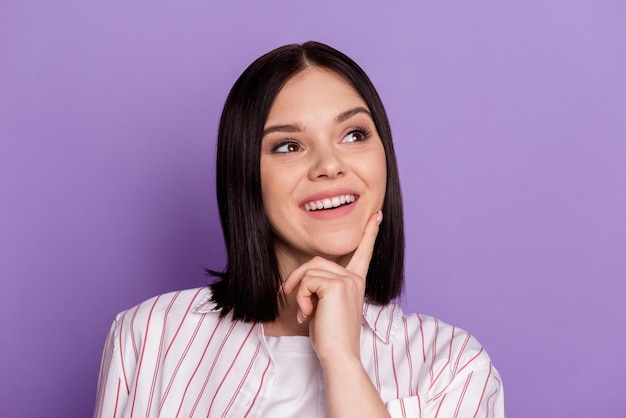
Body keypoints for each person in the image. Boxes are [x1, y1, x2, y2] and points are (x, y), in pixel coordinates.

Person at [93, 41, 505, 417]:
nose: (329, 165)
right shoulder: (149, 335)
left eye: (354, 134)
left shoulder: (454, 365)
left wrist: (342, 358)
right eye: (289, 145)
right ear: (245, 174)